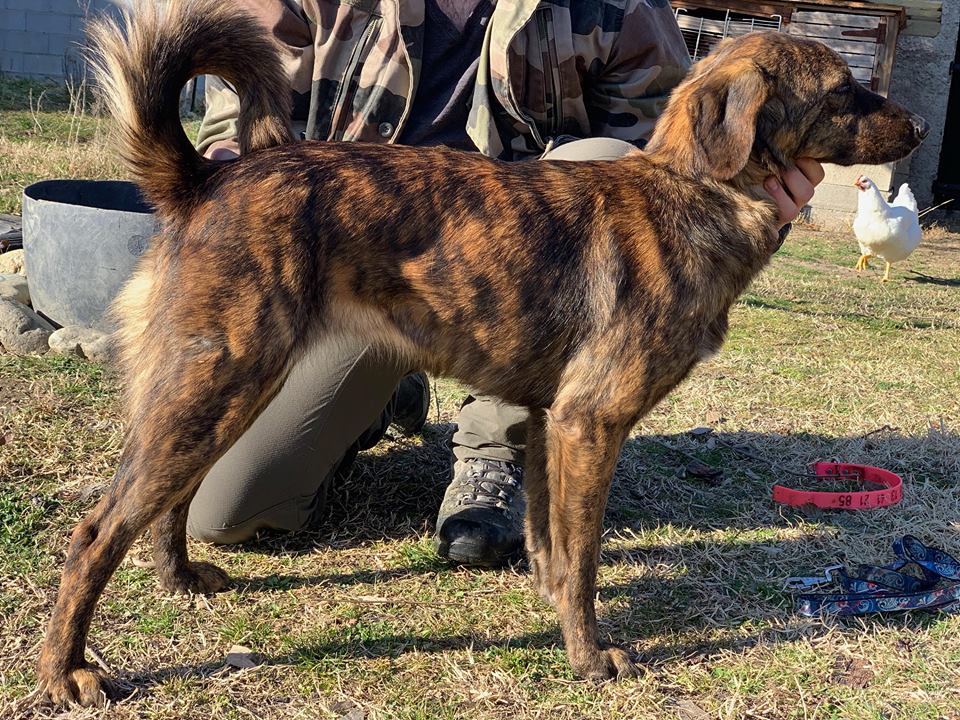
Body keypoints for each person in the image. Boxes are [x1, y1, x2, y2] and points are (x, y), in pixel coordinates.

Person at [187, 0, 824, 565]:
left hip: (529, 281)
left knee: (604, 160)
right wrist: (227, 182)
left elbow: (679, 167)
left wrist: (762, 194)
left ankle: (496, 446)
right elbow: (239, 89)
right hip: (359, 264)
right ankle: (388, 385)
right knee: (224, 514)